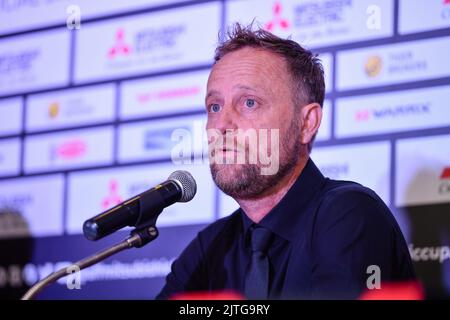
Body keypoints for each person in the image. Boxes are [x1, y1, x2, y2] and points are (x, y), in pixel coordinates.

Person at [157, 24, 415, 300]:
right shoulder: (210, 247)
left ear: (307, 123)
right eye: (215, 107)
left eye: (249, 103)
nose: (221, 125)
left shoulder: (349, 214)